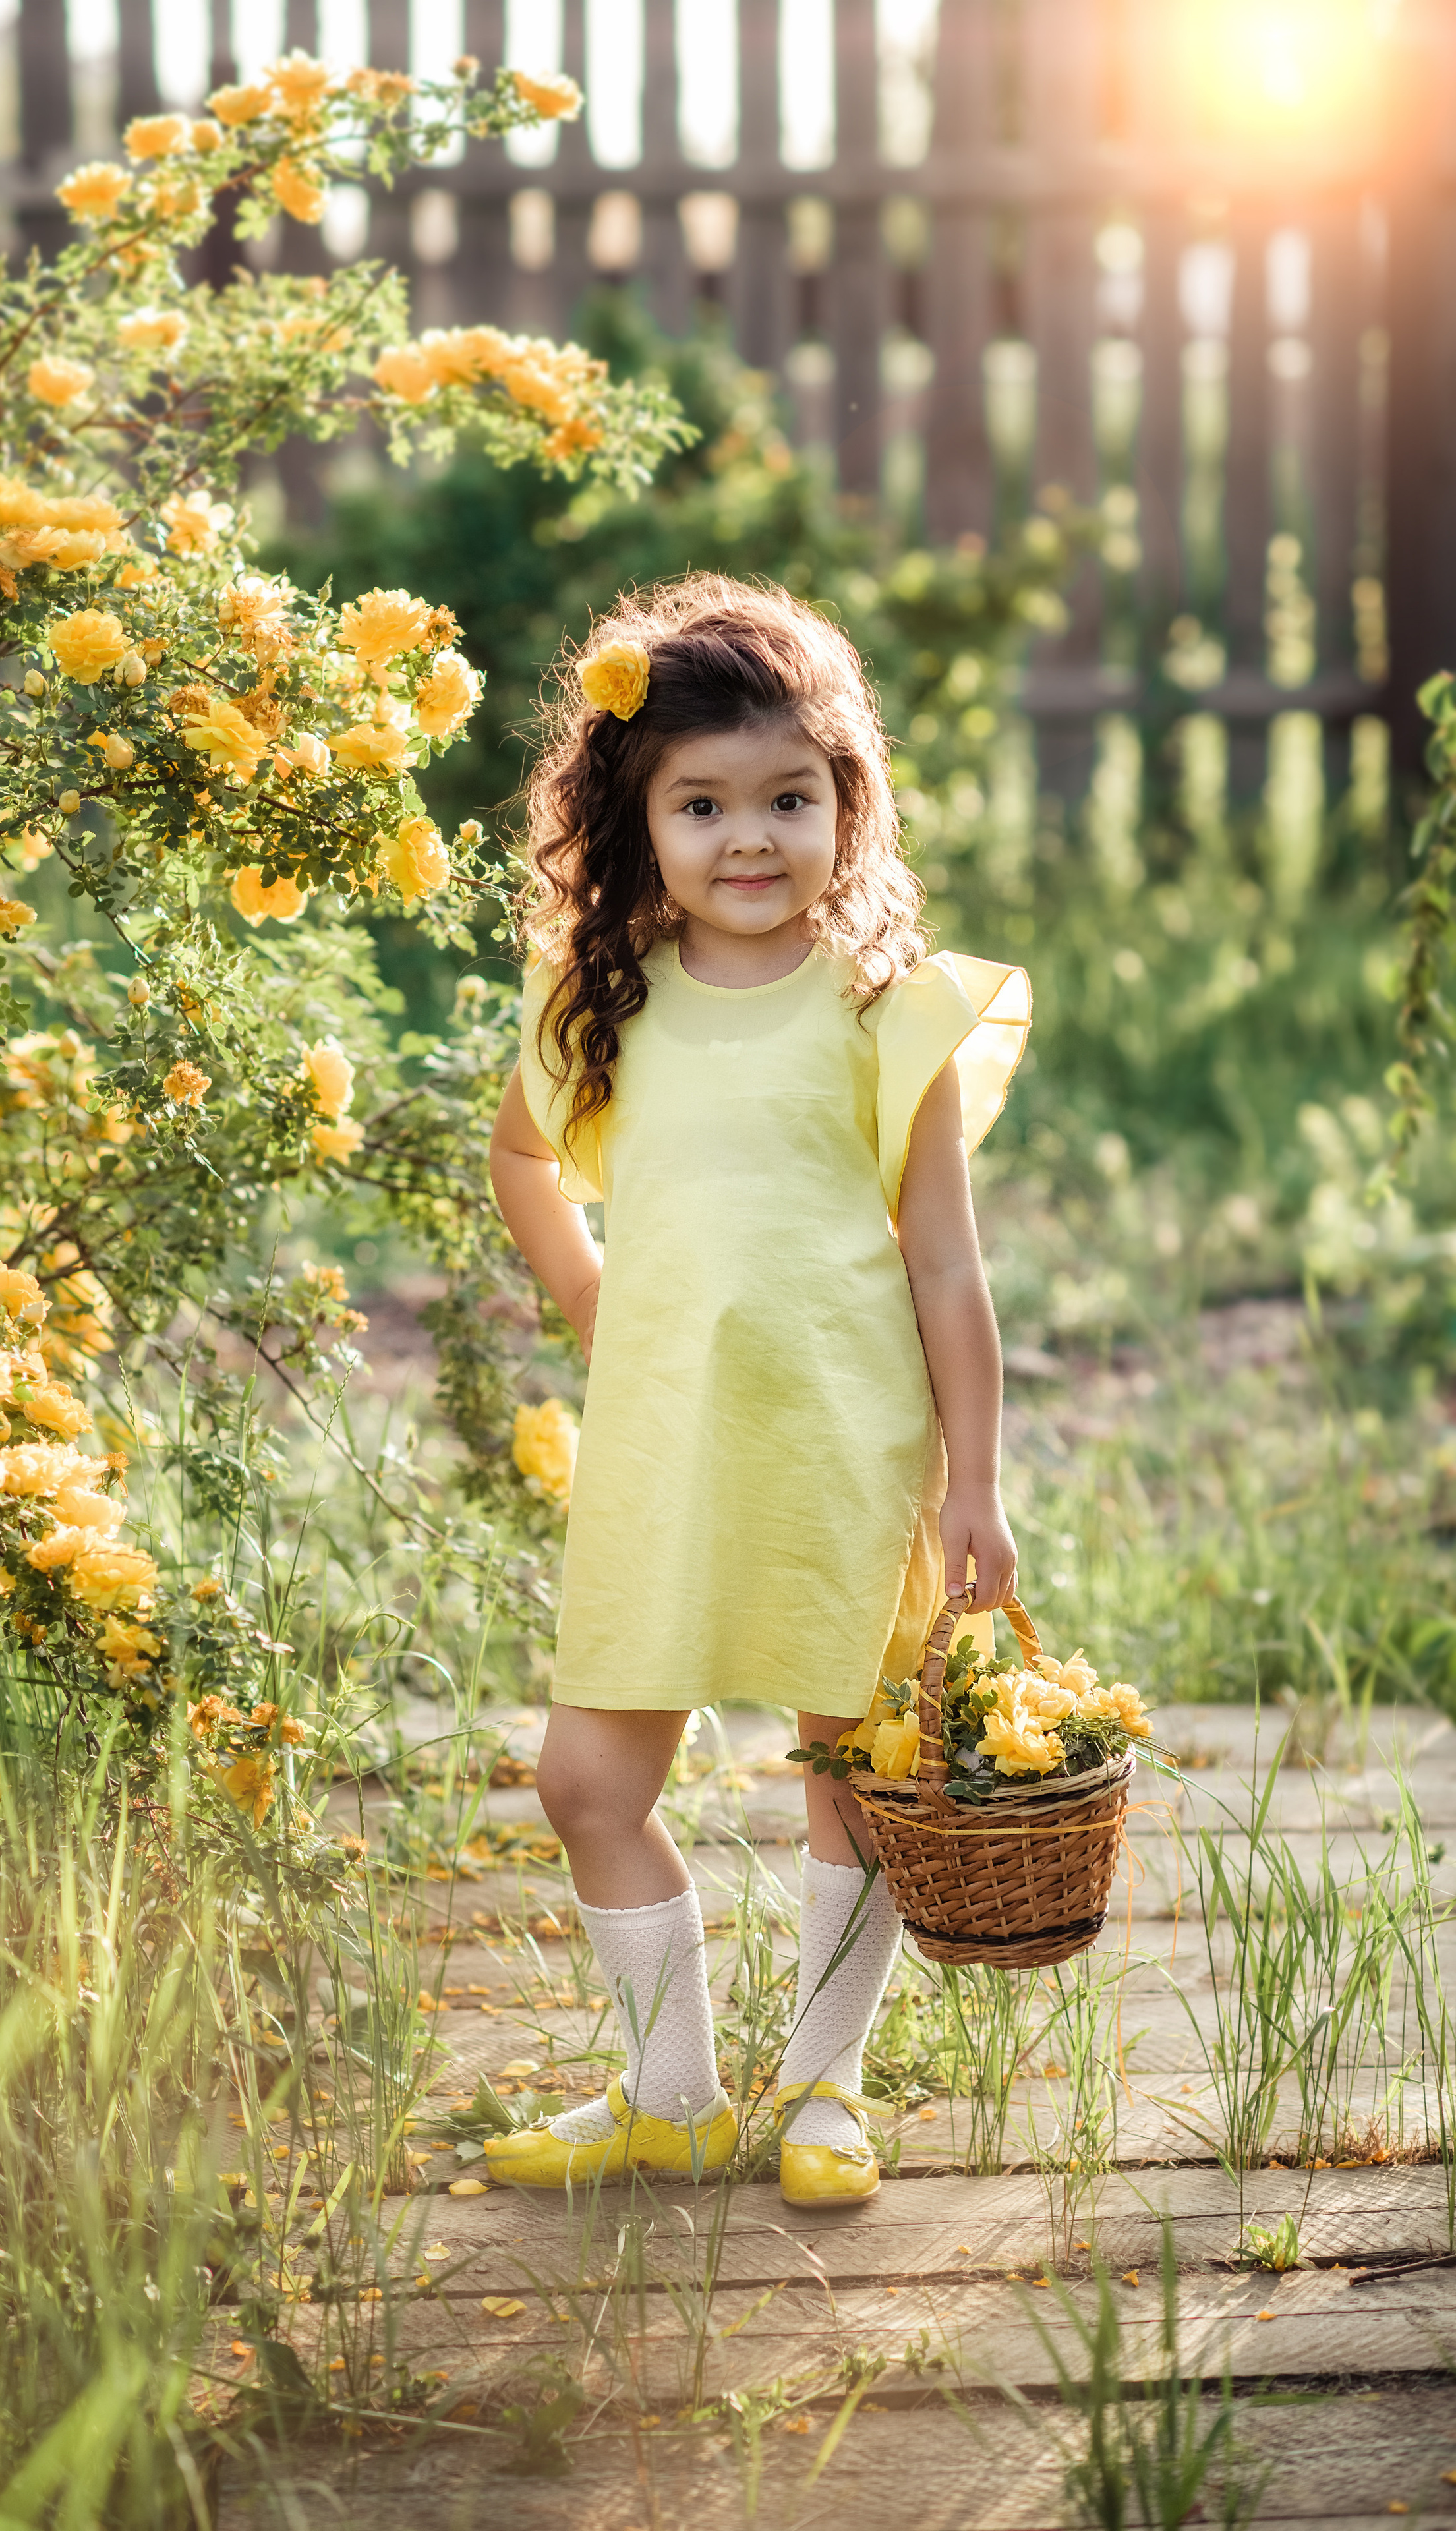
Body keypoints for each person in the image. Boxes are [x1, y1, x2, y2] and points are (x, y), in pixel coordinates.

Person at [485, 575, 1029, 2205]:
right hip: (664, 1450)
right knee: (588, 1781)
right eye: (700, 802)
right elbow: (521, 1158)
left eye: (788, 799)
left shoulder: (882, 1009)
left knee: (843, 1771)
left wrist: (977, 1484)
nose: (747, 838)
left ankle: (819, 2093)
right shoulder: (606, 1003)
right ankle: (669, 2093)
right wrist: (591, 1293)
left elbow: (944, 1264)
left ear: (843, 806)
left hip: (844, 1451)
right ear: (632, 817)